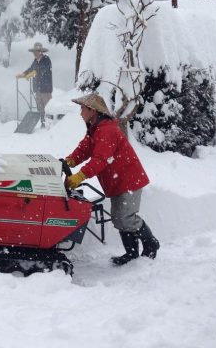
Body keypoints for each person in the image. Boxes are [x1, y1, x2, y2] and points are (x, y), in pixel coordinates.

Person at [63, 93, 160, 265]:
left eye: (83, 108)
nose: (80, 113)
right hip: (118, 181)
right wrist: (69, 161)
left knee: (126, 217)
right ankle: (131, 254)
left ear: (93, 110)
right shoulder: (95, 130)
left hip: (129, 180)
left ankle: (151, 243)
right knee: (119, 217)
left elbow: (100, 159)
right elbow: (84, 150)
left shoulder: (107, 130)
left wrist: (81, 175)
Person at [16, 42, 53, 127]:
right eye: (34, 52)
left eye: (36, 52)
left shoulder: (46, 59)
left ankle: (50, 125)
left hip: (46, 89)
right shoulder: (35, 61)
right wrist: (23, 74)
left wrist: (33, 72)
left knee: (47, 107)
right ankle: (43, 123)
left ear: (40, 52)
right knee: (40, 108)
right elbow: (31, 69)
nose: (34, 53)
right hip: (38, 89)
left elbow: (43, 70)